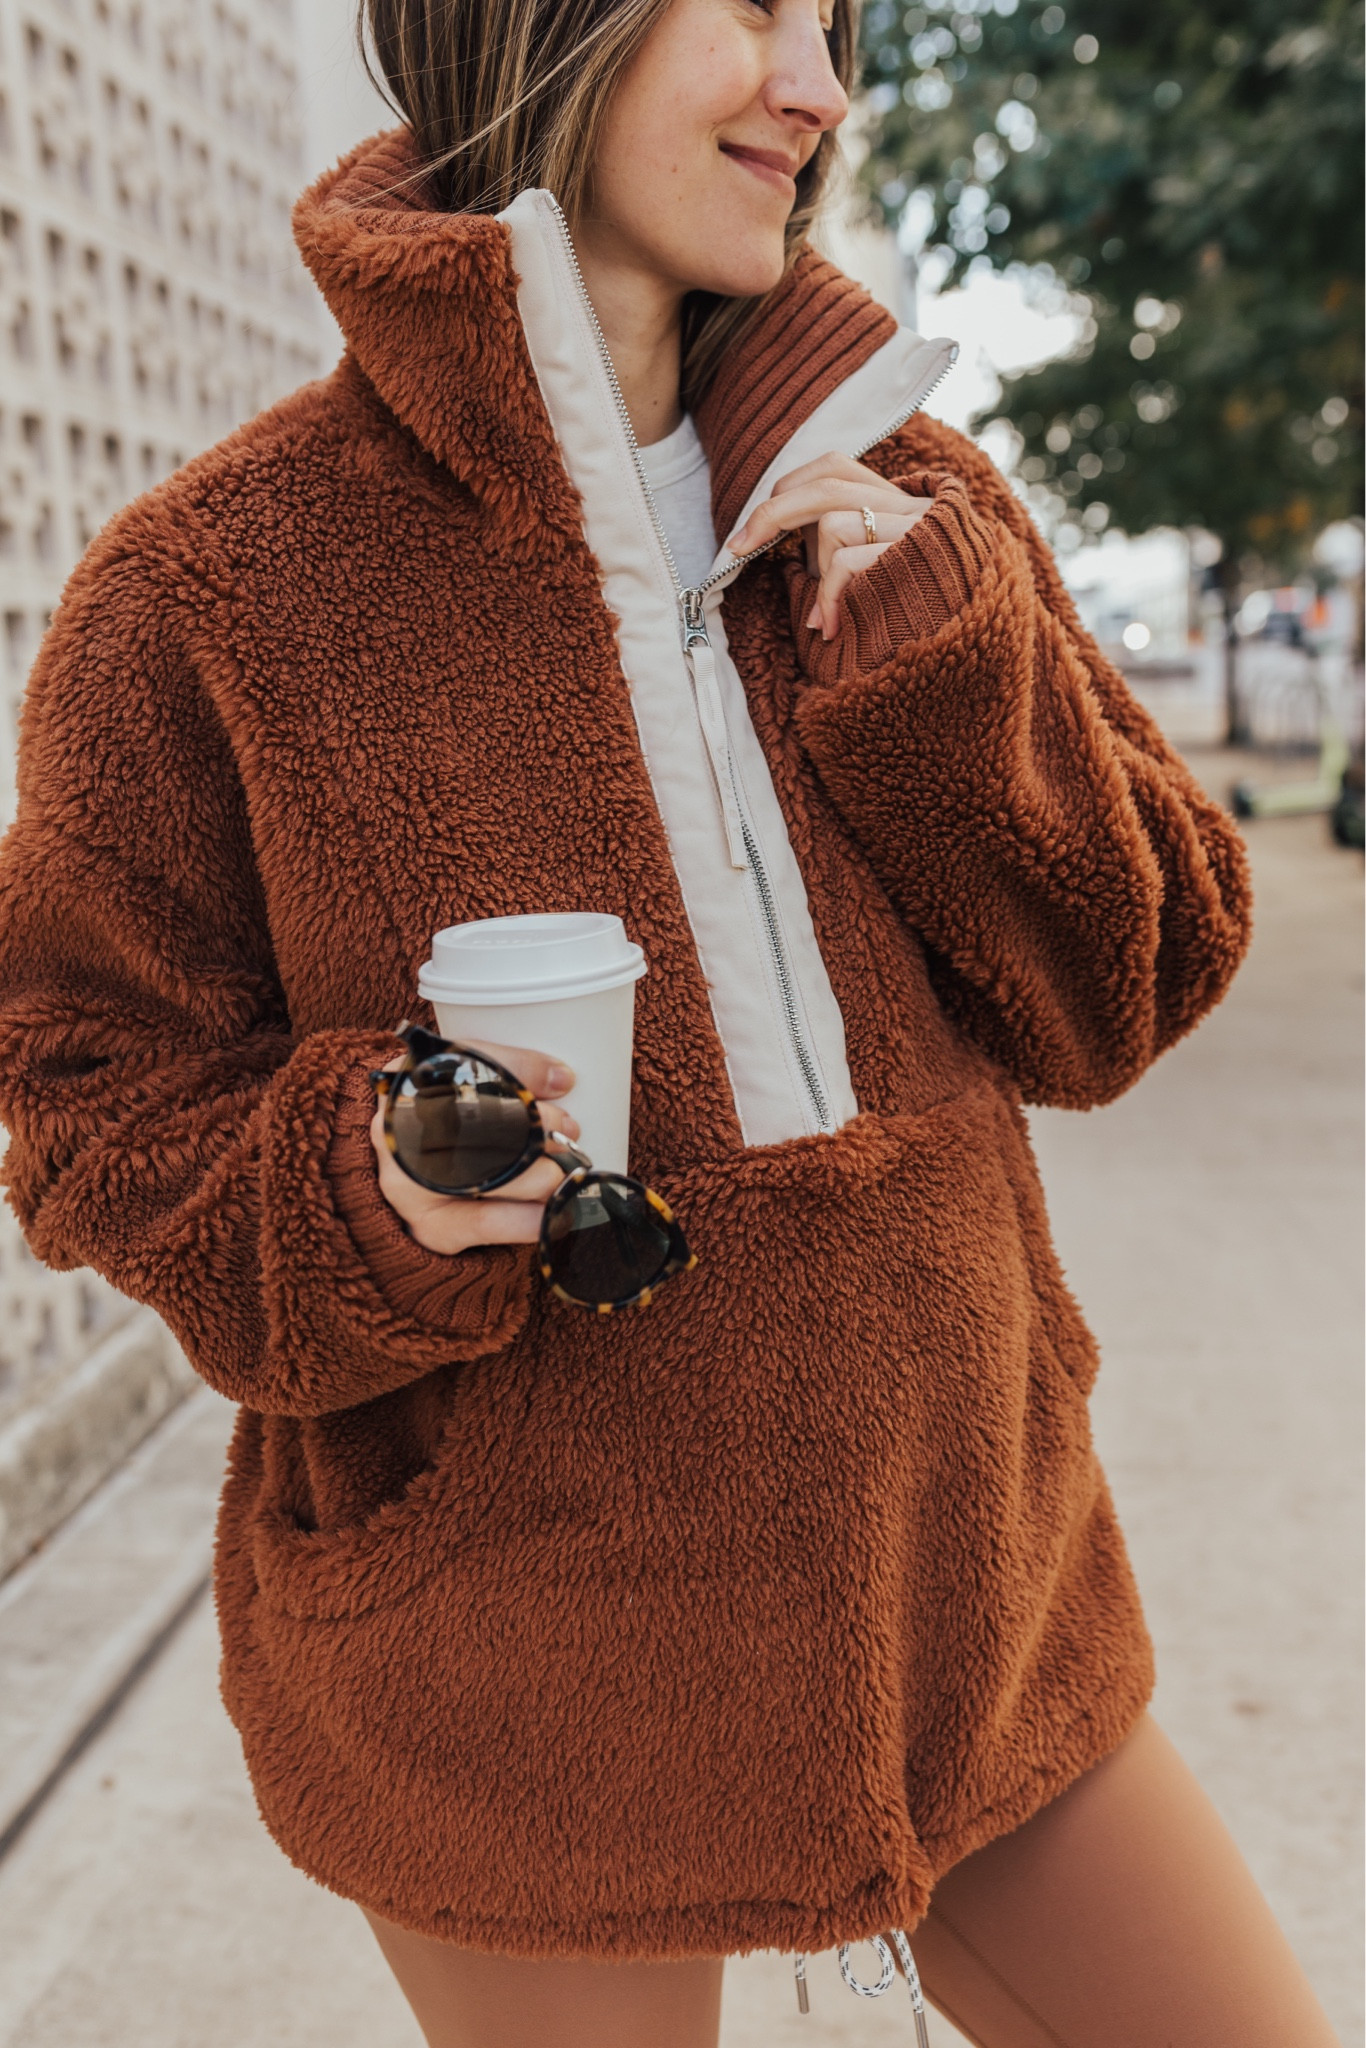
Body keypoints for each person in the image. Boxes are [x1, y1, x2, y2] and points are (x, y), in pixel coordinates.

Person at [0, 0, 1340, 2042]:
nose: (815, 87)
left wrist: (940, 688)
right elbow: (86, 1089)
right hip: (525, 1643)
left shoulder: (900, 491)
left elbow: (1123, 980)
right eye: (748, 11)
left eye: (834, 23)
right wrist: (374, 1176)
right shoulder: (216, 590)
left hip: (963, 1589)